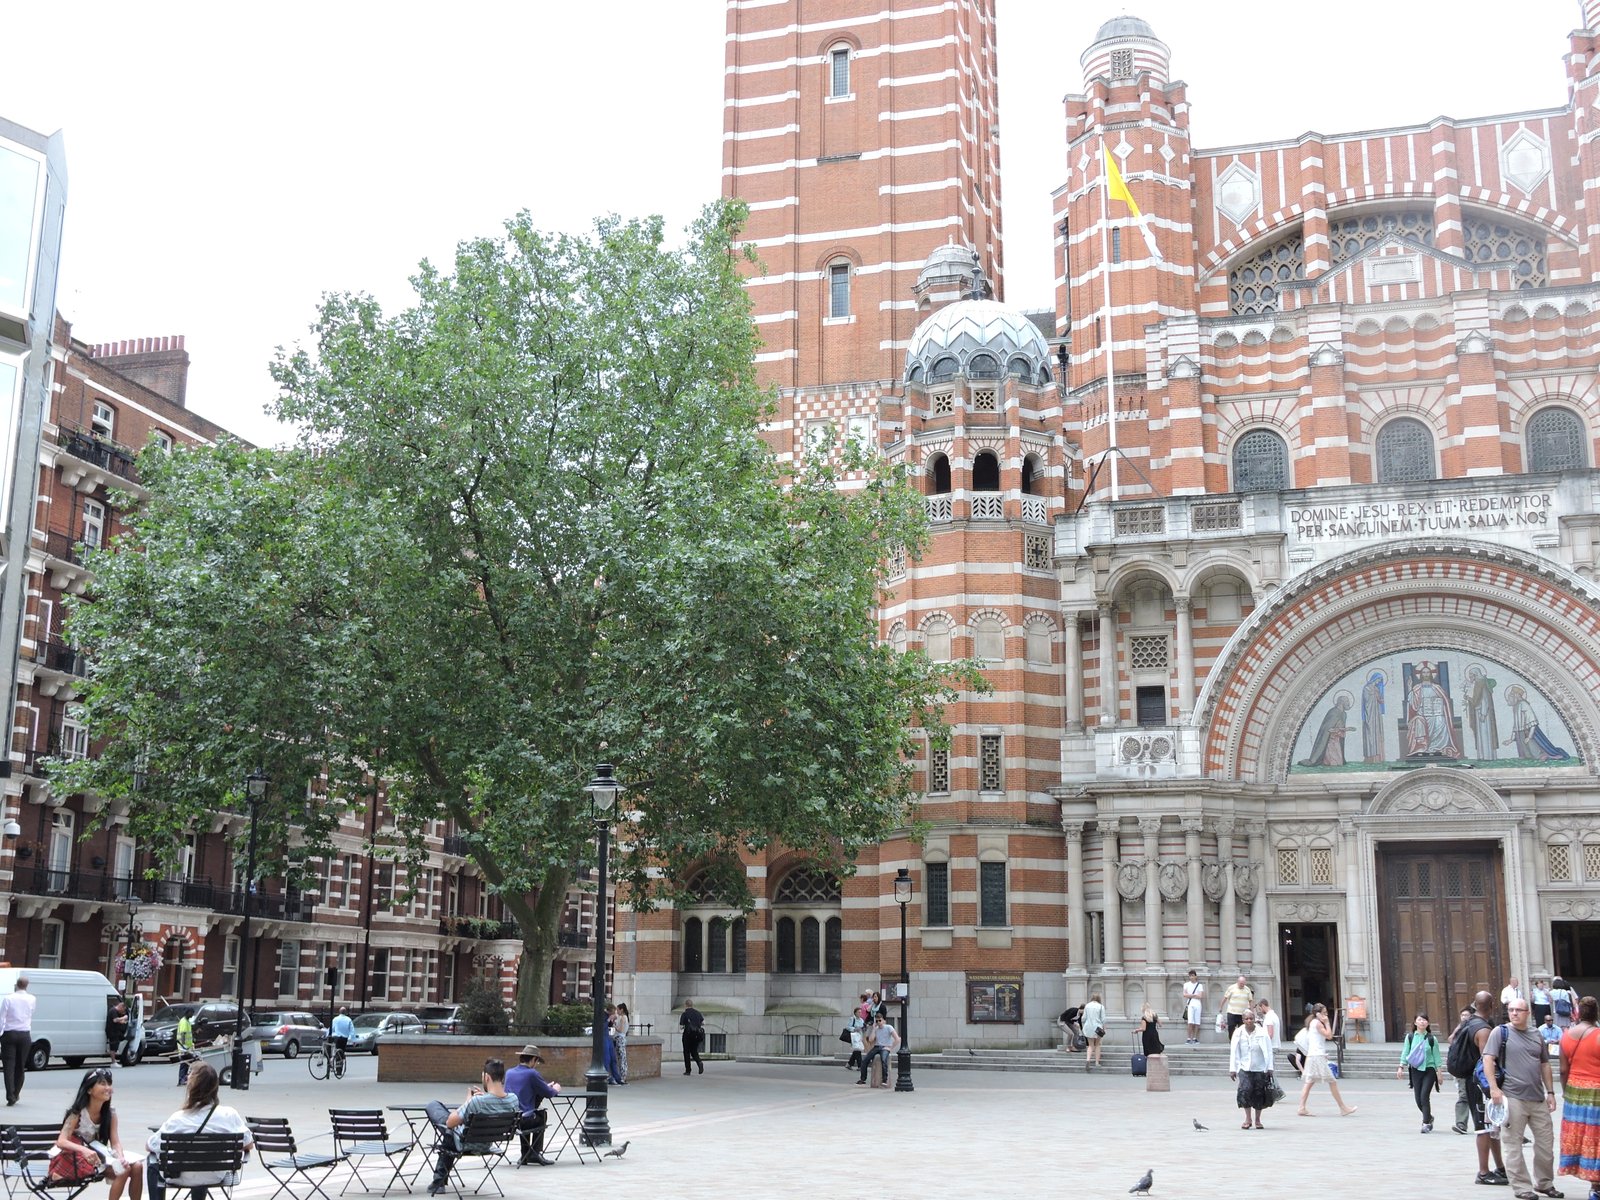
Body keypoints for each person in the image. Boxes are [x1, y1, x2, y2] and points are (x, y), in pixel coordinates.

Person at [1483, 996, 1561, 1200]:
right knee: (1512, 1144)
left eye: (1519, 1010)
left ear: (1528, 1013)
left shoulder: (1536, 1035)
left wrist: (1550, 1092)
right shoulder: (1500, 1032)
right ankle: (1521, 1187)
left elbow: (1544, 1064)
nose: (1515, 1013)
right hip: (1512, 1097)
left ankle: (1544, 1183)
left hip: (1537, 1098)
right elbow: (1488, 1058)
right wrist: (1494, 1089)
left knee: (1546, 1143)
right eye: (1511, 1010)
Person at [144, 1063, 253, 1200]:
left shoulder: (178, 1118)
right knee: (204, 1164)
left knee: (152, 1161)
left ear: (191, 1088)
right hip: (215, 1175)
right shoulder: (229, 1114)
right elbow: (249, 1144)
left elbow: (150, 1146)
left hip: (182, 1176)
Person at [425, 1058, 520, 1196]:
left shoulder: (477, 1101)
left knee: (435, 1108)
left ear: (487, 1077)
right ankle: (439, 1182)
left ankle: (438, 1182)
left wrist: (468, 1101)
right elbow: (494, 1104)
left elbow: (450, 1123)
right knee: (452, 1131)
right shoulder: (513, 1099)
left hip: (465, 1144)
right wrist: (480, 1099)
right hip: (486, 1144)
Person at [56, 1068, 141, 1200]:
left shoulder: (110, 1114)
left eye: (109, 1084)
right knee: (124, 1171)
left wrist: (120, 1157)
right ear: (89, 1090)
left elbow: (115, 1142)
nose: (108, 1088)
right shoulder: (77, 1113)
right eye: (102, 1083)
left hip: (99, 1158)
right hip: (77, 1159)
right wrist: (84, 1150)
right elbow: (61, 1141)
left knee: (137, 1166)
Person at [1463, 990, 1511, 1186]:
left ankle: (1500, 1168)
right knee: (1483, 1128)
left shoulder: (1467, 1023)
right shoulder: (1483, 1030)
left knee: (1492, 1126)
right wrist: (1493, 1086)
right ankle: (1483, 1172)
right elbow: (1487, 1060)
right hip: (1481, 1084)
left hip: (1471, 1080)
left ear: (1474, 1004)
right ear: (1492, 1006)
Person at [1559, 994, 1600, 1200]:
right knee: (1596, 1139)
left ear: (1578, 1013)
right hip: (1596, 1092)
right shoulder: (1599, 1035)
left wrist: (1566, 1092)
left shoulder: (1566, 1035)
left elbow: (1563, 1070)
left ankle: (1593, 1184)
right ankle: (1596, 1185)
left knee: (1582, 1137)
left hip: (1574, 1091)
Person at [1295, 1004, 1356, 1117]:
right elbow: (1329, 1035)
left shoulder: (1312, 1023)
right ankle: (1343, 1108)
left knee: (1309, 1082)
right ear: (1318, 1014)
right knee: (1332, 1081)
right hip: (1317, 1056)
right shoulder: (1317, 1024)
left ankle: (1302, 1107)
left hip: (1314, 1055)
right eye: (1324, 1013)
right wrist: (1327, 1022)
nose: (1326, 1015)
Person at [503, 1044, 558, 1167]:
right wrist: (556, 1089)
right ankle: (535, 1153)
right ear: (533, 1059)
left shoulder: (509, 1073)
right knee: (540, 1115)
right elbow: (548, 1093)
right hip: (524, 1119)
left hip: (510, 1119)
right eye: (536, 1061)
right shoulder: (532, 1073)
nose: (536, 1064)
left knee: (526, 1113)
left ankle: (525, 1153)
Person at [1229, 1007, 1277, 1130]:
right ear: (1243, 1020)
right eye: (1247, 1019)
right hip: (1244, 1067)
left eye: (1251, 1018)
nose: (1249, 1021)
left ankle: (1257, 1119)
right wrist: (1233, 1069)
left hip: (1260, 1067)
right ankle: (1247, 1118)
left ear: (1254, 1019)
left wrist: (1270, 1067)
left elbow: (1269, 1050)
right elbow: (1234, 1051)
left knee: (1258, 1093)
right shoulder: (1238, 1033)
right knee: (1245, 1091)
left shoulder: (1262, 1032)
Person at [1395, 1013, 1442, 1133]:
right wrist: (1401, 1066)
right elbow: (1405, 1052)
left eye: (1425, 1020)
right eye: (1420, 1020)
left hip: (1429, 1070)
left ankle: (1426, 1123)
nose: (1422, 1022)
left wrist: (1439, 1073)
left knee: (1424, 1096)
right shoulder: (1410, 1037)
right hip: (1415, 1070)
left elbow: (1437, 1056)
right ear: (1415, 1023)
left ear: (1428, 1023)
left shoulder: (1432, 1039)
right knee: (1418, 1099)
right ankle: (1429, 1117)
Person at [1, 975, 37, 1105]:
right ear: (26, 985)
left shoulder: (8, 998)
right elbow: (31, 1012)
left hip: (9, 1033)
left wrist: (1, 1032)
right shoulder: (32, 999)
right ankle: (16, 1093)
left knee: (9, 1066)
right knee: (20, 1066)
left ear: (16, 985)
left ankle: (10, 1095)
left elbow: (2, 1017)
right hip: (24, 1034)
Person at [1449, 1006, 1478, 1135]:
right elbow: (1451, 1042)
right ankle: (1461, 1123)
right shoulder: (1459, 1030)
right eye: (1462, 1015)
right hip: (1463, 1067)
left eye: (1466, 1015)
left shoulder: (1477, 1028)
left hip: (1477, 1067)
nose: (1464, 1017)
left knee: (1482, 1097)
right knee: (1463, 1095)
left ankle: (1487, 1123)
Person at [857, 1011, 899, 1087]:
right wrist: (873, 1029)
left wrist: (890, 1048)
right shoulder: (876, 1029)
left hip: (885, 1047)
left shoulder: (889, 1027)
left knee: (884, 1060)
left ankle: (884, 1080)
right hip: (877, 1047)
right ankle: (863, 1079)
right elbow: (870, 1040)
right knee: (865, 1060)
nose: (879, 1022)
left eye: (880, 1020)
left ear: (883, 1021)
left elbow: (897, 1039)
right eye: (877, 1021)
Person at [679, 999, 705, 1076]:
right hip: (696, 1035)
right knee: (694, 1051)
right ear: (692, 1005)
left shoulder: (685, 1014)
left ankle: (688, 1070)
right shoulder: (698, 1013)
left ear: (685, 1005)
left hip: (687, 1035)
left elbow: (681, 1026)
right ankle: (699, 1062)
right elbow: (702, 1023)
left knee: (686, 1052)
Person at [846, 991, 870, 1071]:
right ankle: (860, 1066)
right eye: (859, 1012)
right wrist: (854, 1029)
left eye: (860, 1012)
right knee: (858, 1051)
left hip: (859, 1036)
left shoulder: (861, 1020)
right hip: (853, 1036)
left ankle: (850, 1063)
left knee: (857, 1050)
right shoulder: (852, 1019)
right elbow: (848, 1027)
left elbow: (863, 1028)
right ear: (855, 1013)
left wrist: (864, 1028)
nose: (860, 1013)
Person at [1082, 994, 1106, 1069]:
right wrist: (1104, 1028)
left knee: (1090, 1045)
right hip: (1098, 1027)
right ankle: (1096, 1062)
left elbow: (1084, 1018)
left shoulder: (1087, 1006)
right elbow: (1103, 1019)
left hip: (1088, 1027)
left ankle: (1088, 1060)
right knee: (1097, 1045)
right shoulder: (1101, 1006)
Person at [1182, 971, 1205, 1045]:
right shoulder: (1186, 984)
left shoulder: (1199, 985)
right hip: (1190, 1004)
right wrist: (1194, 995)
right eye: (1190, 976)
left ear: (1196, 976)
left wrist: (1191, 995)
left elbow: (1200, 996)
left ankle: (1195, 1038)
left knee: (1197, 1021)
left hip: (1197, 1004)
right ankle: (1188, 1038)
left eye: (1192, 975)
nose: (1191, 977)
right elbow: (1184, 995)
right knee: (1190, 1021)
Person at [601, 1004, 621, 1085]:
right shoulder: (602, 1015)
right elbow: (601, 1026)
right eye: (613, 1012)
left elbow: (609, 1026)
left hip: (607, 1037)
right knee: (607, 1058)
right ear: (610, 1011)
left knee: (613, 1058)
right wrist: (609, 1019)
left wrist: (612, 1021)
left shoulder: (609, 1016)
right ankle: (608, 1077)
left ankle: (617, 1077)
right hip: (603, 1037)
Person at [175, 1011, 195, 1087]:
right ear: (188, 1013)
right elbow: (183, 1034)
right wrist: (183, 1045)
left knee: (186, 1063)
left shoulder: (187, 1021)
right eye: (192, 1013)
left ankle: (184, 1079)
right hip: (184, 1046)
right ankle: (181, 1080)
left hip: (187, 1046)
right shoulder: (184, 1022)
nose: (192, 1015)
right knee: (184, 1063)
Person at [612, 1003, 630, 1085]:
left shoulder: (623, 1018)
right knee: (621, 1057)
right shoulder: (623, 1017)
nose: (617, 1011)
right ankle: (622, 1076)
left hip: (620, 1038)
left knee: (621, 1058)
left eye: (618, 1009)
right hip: (621, 1038)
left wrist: (614, 1026)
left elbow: (621, 1030)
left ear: (621, 1009)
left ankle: (622, 1077)